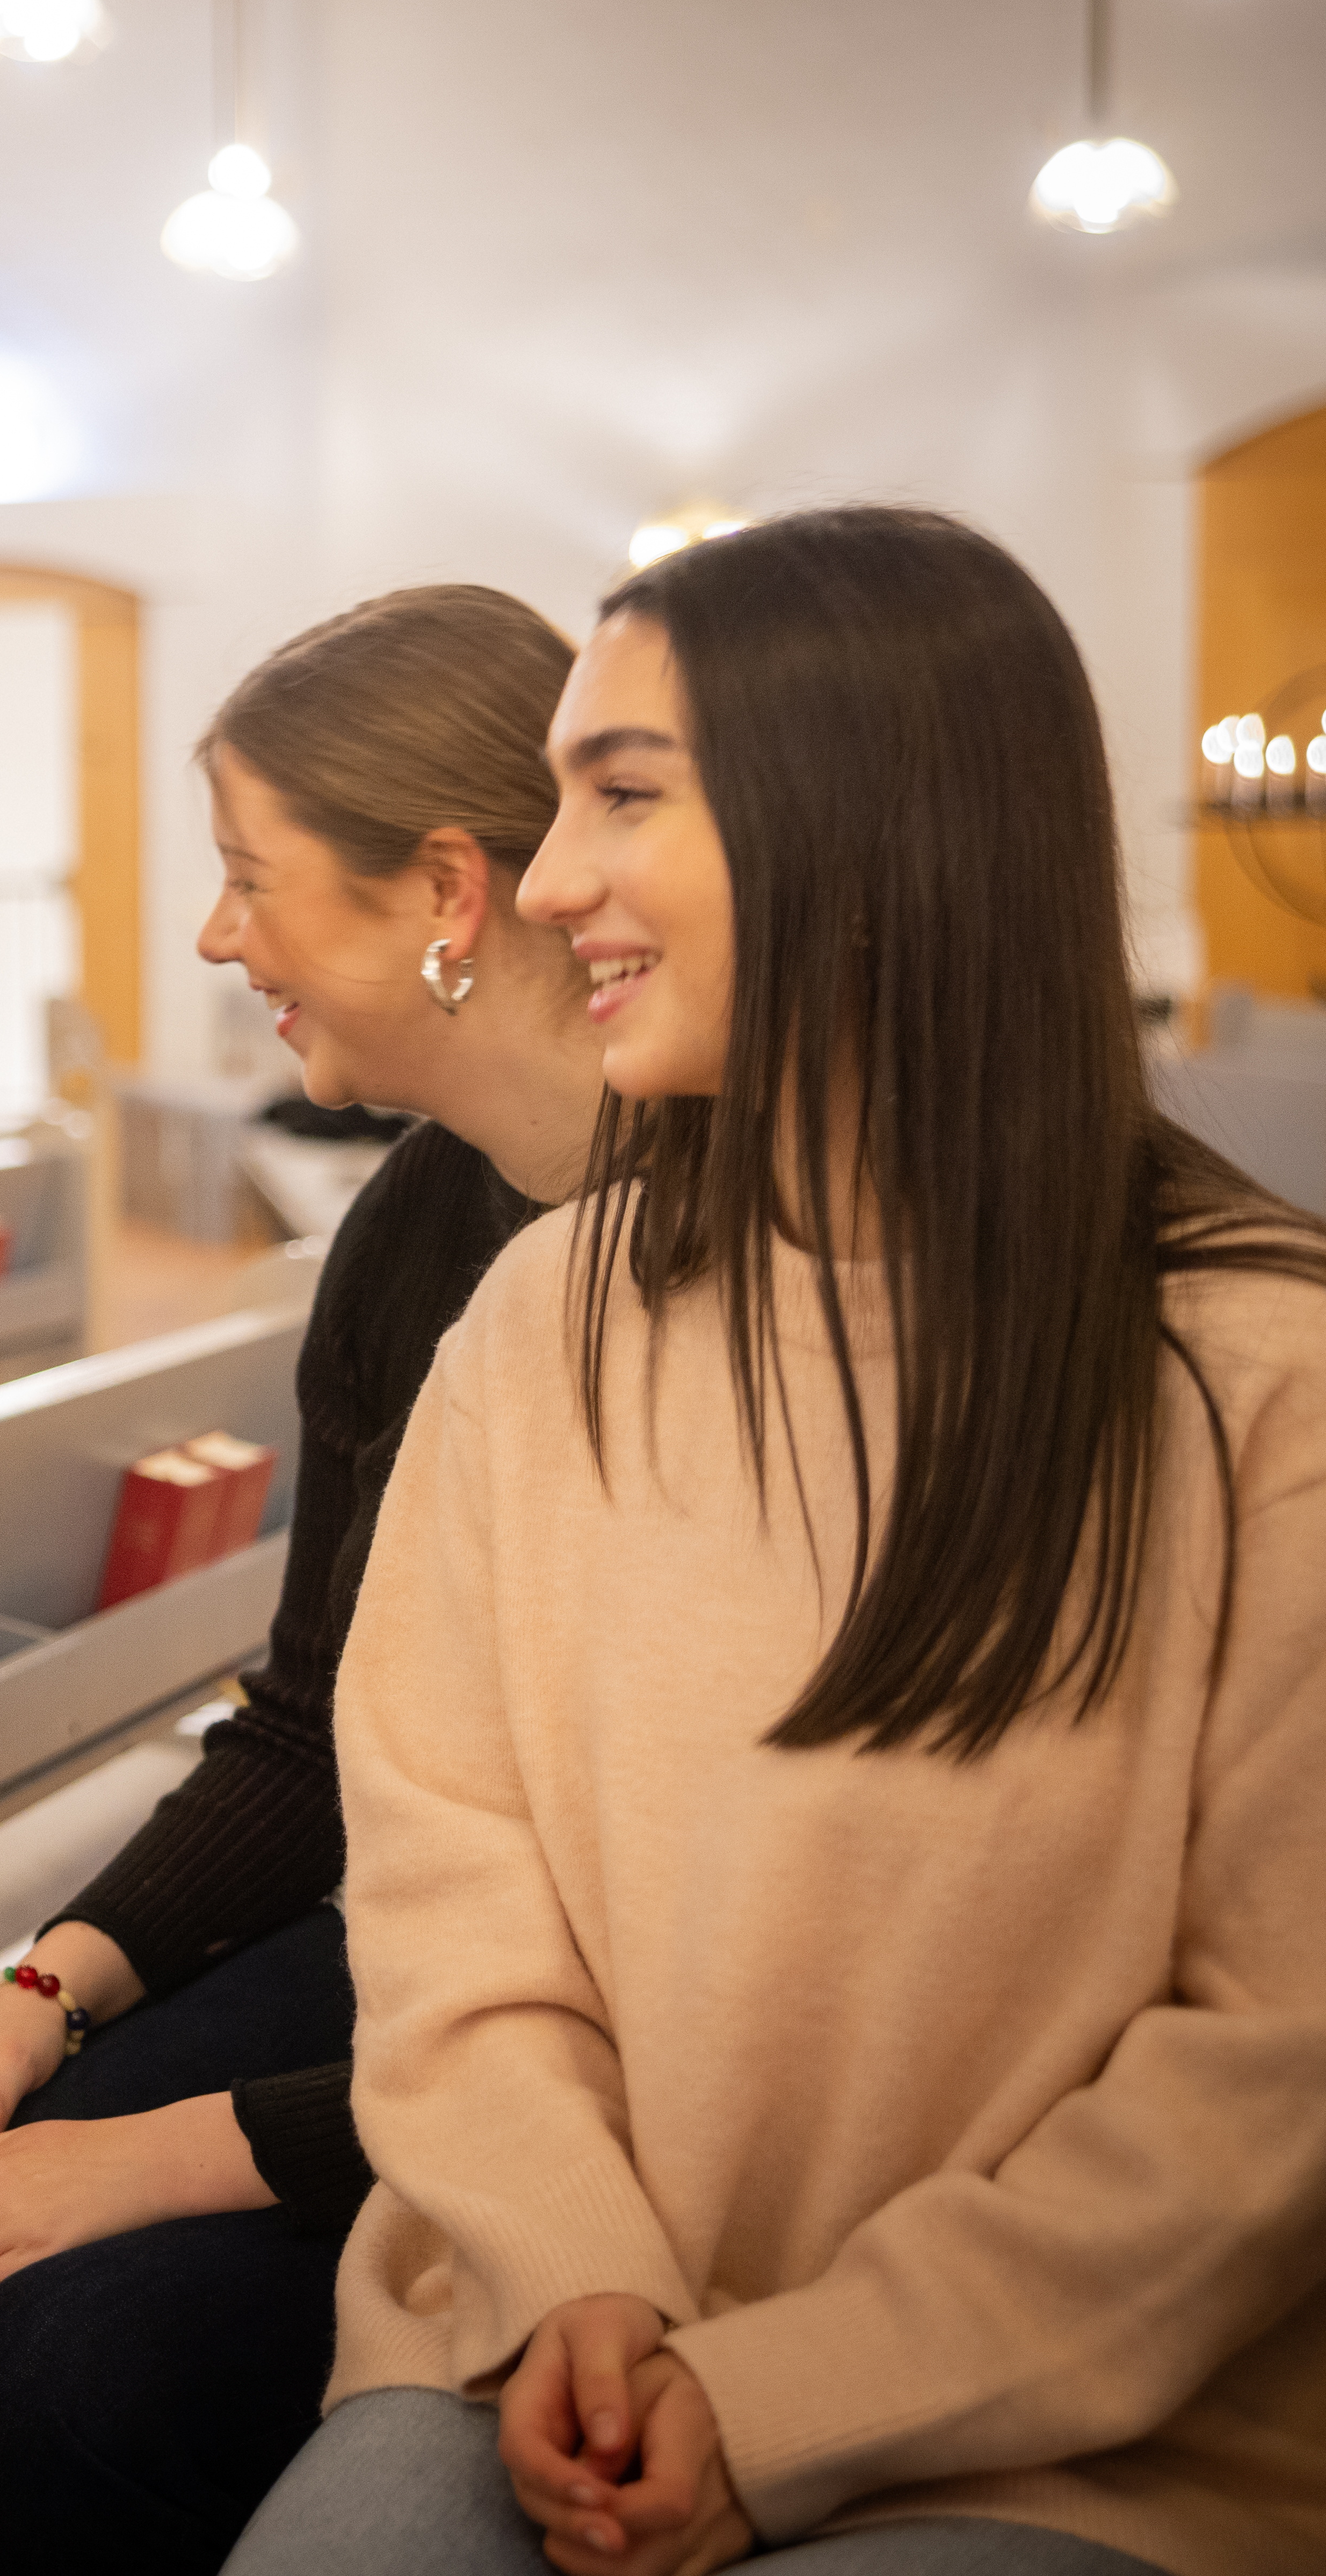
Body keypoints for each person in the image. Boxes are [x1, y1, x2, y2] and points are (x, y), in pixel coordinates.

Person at [229, 509, 1326, 2574]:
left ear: (876, 829)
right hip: (537, 2348)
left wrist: (781, 2394)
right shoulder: (545, 1316)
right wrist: (584, 2289)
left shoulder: (1258, 1383)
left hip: (1071, 2432)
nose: (547, 886)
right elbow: (456, 1899)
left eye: (621, 797)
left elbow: (1271, 2071)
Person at [0, 586, 602, 2572]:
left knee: (71, 2364)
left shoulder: (704, 1261)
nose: (215, 937)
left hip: (597, 2011)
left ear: (450, 890)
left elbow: (658, 1943)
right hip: (411, 1936)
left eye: (248, 877)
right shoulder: (418, 1227)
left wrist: (149, 2159)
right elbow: (316, 1717)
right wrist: (51, 1988)